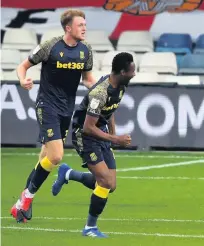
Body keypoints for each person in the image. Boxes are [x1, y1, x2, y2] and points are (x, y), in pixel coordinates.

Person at [11, 9, 96, 223]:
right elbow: (23, 66)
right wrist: (23, 80)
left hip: (66, 108)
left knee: (44, 159)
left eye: (85, 24)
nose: (84, 28)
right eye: (80, 25)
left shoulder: (86, 50)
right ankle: (26, 197)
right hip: (47, 105)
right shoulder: (50, 46)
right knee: (56, 156)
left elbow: (87, 78)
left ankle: (21, 205)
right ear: (68, 28)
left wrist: (98, 89)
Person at [51, 52, 135, 237]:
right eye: (132, 71)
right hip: (84, 135)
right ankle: (90, 227)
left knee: (110, 185)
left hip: (101, 132)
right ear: (122, 72)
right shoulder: (99, 93)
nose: (134, 74)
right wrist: (116, 139)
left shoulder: (120, 86)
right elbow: (88, 128)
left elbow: (109, 111)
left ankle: (68, 173)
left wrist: (112, 134)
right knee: (104, 181)